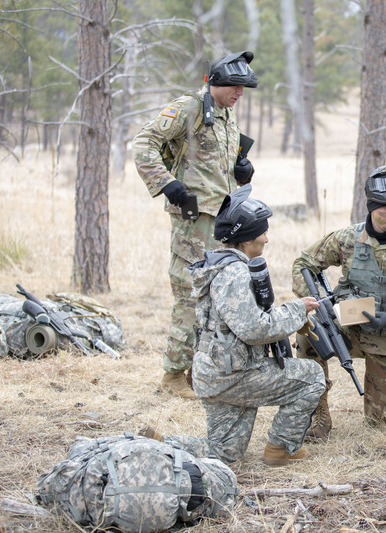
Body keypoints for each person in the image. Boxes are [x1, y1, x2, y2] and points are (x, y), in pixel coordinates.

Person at [140, 185, 326, 466]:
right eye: (263, 231)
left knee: (224, 453)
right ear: (247, 238)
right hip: (235, 374)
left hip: (217, 373)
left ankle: (160, 446)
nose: (266, 238)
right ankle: (282, 447)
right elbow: (253, 329)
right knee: (312, 376)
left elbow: (242, 319)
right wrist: (296, 310)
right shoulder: (235, 273)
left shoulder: (219, 266)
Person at [132, 50, 258, 399]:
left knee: (219, 297)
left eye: (244, 88)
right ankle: (172, 376)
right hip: (193, 220)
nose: (240, 94)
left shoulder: (227, 114)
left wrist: (241, 168)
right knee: (189, 295)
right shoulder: (188, 108)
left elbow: (215, 158)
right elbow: (143, 143)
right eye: (235, 86)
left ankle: (198, 371)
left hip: (223, 219)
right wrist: (165, 183)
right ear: (216, 82)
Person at [291, 164, 386, 435]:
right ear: (371, 207)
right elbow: (303, 263)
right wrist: (319, 302)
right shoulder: (347, 239)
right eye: (385, 208)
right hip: (350, 328)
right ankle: (319, 416)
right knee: (309, 336)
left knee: (383, 428)